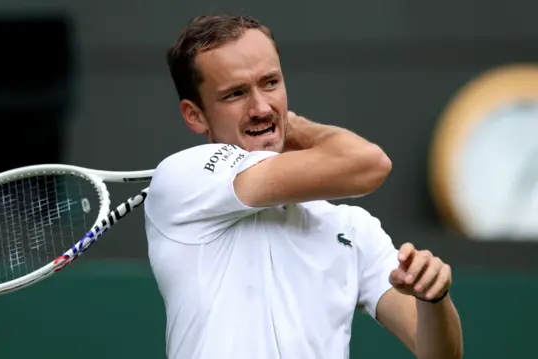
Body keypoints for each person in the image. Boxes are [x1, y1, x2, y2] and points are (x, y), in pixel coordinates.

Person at [144, 14, 463, 359]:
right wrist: (294, 127)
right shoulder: (181, 178)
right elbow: (370, 164)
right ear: (195, 115)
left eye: (270, 83)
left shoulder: (352, 229)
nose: (261, 108)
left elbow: (440, 355)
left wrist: (434, 298)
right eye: (235, 94)